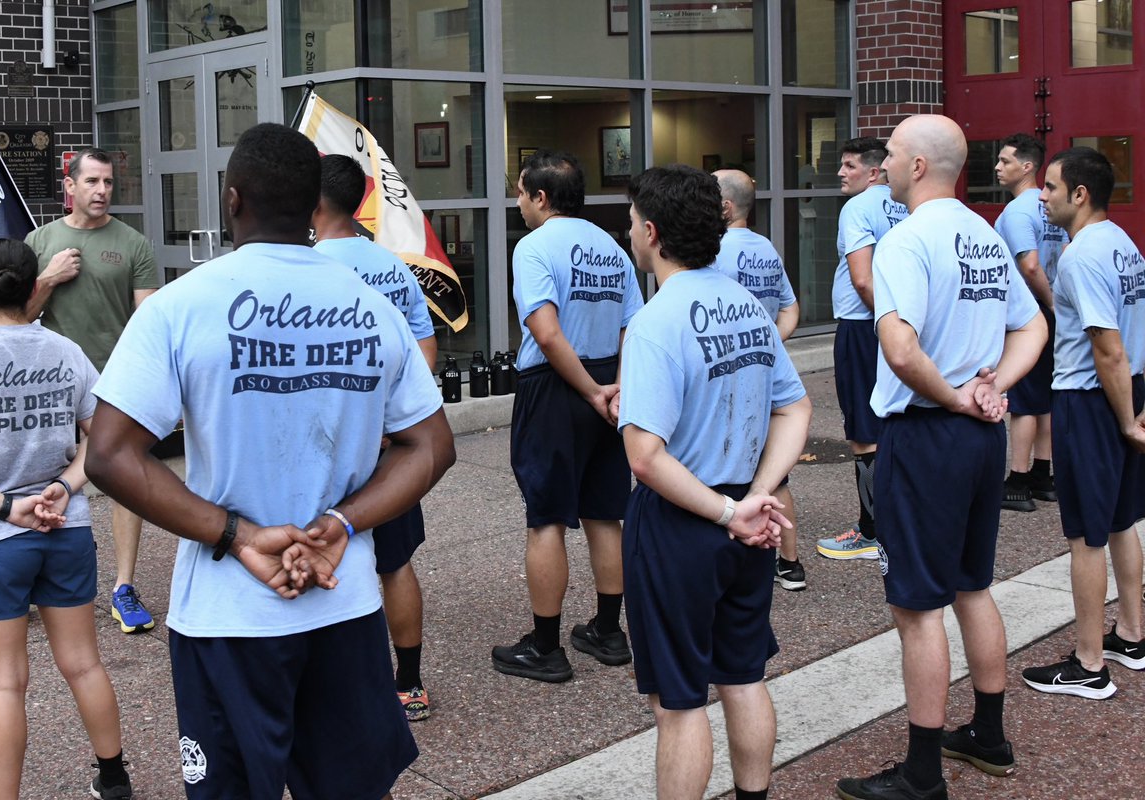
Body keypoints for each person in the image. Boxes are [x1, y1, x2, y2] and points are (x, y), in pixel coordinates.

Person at [84, 123, 456, 799]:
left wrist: (240, 535)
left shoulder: (180, 308)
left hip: (229, 617)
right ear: (315, 206)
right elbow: (432, 445)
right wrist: (341, 526)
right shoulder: (373, 308)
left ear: (232, 201)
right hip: (343, 602)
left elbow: (108, 455)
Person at [836, 115, 1047, 800]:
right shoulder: (984, 234)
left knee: (919, 607)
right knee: (972, 586)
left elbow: (899, 348)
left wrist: (958, 398)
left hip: (928, 436)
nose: (883, 166)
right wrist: (995, 386)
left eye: (891, 155)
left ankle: (922, 774)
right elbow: (1033, 323)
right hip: (982, 439)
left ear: (919, 165)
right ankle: (990, 736)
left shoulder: (905, 240)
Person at [618, 165, 811, 800]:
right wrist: (757, 493)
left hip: (684, 523)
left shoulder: (655, 319)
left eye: (630, 224)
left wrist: (731, 513)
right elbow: (795, 407)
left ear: (651, 233)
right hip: (746, 517)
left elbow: (644, 457)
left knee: (679, 704)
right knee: (743, 677)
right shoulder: (746, 307)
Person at [0, 239, 133, 800]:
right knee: (83, 664)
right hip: (65, 527)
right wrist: (63, 486)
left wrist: (6, 507)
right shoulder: (67, 352)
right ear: (35, 290)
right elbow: (99, 443)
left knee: (5, 685)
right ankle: (115, 779)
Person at [492, 149, 644, 683]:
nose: (519, 203)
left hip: (558, 388)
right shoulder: (611, 245)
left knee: (547, 517)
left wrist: (588, 391)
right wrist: (617, 389)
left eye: (521, 193)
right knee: (606, 511)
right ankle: (608, 631)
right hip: (608, 381)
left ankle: (546, 646)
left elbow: (546, 332)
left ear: (540, 196)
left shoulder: (533, 247)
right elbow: (633, 326)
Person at [311, 153, 438, 721]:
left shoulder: (310, 267)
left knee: (324, 560)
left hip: (332, 447)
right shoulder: (391, 264)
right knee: (395, 564)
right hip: (392, 448)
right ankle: (409, 685)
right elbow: (424, 348)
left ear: (312, 203)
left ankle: (340, 690)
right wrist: (395, 421)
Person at [1021, 146, 1145, 699]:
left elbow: (1107, 347)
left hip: (1091, 401)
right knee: (1120, 523)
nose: (1041, 195)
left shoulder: (1080, 256)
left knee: (1085, 537)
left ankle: (1090, 664)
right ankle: (1131, 636)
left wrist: (1128, 423)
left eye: (1049, 187)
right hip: (1125, 395)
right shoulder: (1123, 245)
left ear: (1080, 194)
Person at [25, 147, 161, 634]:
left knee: (121, 479)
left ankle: (123, 587)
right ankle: (42, 578)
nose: (102, 191)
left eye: (108, 183)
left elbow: (147, 321)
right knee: (47, 478)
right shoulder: (40, 241)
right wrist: (49, 277)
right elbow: (16, 316)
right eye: (92, 182)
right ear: (70, 186)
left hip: (115, 381)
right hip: (51, 385)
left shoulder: (133, 244)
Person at [711, 168, 807, 592]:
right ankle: (791, 563)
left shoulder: (717, 251)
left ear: (726, 208)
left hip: (733, 377)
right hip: (765, 369)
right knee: (776, 470)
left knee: (736, 464)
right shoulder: (765, 247)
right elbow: (791, 309)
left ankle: (749, 552)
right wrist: (767, 346)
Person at [818, 137, 909, 560]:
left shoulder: (857, 208)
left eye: (849, 165)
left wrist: (884, 322)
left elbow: (862, 279)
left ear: (873, 172)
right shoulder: (902, 204)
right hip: (897, 323)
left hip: (863, 324)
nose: (841, 172)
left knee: (862, 431)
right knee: (894, 422)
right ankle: (898, 525)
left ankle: (871, 532)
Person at [993, 133, 1069, 512]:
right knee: (1046, 396)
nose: (997, 167)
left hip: (1030, 311)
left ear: (1026, 167)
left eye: (1005, 161)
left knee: (1023, 399)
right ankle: (1044, 474)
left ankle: (1019, 480)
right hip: (1051, 308)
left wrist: (1050, 303)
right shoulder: (1049, 206)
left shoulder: (1019, 212)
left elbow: (1029, 264)